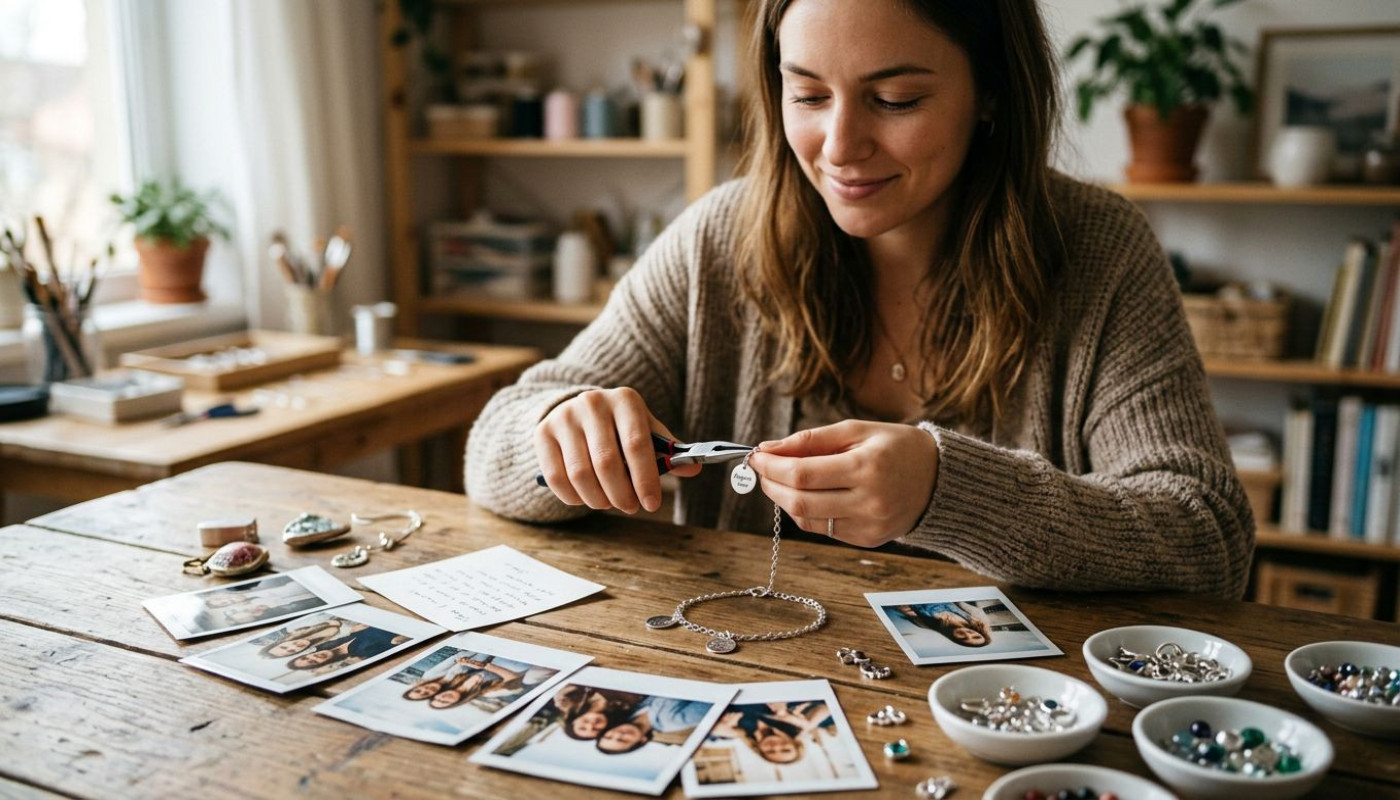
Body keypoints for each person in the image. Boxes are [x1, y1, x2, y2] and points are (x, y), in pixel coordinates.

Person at [465, 0, 1253, 597]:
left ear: (992, 94)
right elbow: (492, 450)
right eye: (807, 96)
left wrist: (951, 493)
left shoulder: (1099, 250)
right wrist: (554, 431)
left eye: (896, 100)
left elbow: (1208, 537)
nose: (839, 148)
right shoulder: (718, 240)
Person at [709, 701, 833, 764]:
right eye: (786, 749)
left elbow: (716, 729)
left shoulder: (741, 733)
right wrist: (807, 725)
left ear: (760, 750)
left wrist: (724, 725)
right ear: (795, 744)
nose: (776, 747)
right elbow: (827, 707)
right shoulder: (795, 726)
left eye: (770, 751)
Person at [597, 696, 713, 755]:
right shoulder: (675, 721)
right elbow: (711, 694)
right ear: (642, 741)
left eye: (608, 736)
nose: (618, 734)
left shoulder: (628, 708)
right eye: (622, 740)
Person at [287, 624, 408, 671]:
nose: (314, 657)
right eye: (313, 662)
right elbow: (397, 640)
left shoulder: (326, 645)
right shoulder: (364, 653)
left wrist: (353, 630)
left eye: (306, 658)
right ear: (321, 664)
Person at [551, 685, 645, 741]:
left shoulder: (569, 700)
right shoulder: (627, 706)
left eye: (582, 727)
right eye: (596, 729)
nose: (591, 725)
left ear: (573, 722)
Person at [894, 601, 991, 647]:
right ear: (980, 633)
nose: (968, 634)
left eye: (963, 638)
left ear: (954, 638)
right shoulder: (975, 618)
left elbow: (903, 608)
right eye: (976, 637)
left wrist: (903, 607)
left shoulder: (926, 624)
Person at [258, 620, 346, 659]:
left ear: (281, 642)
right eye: (292, 651)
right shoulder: (321, 647)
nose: (294, 647)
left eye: (284, 647)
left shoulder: (294, 627)